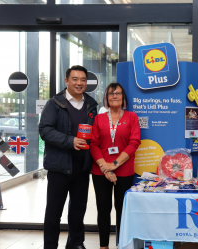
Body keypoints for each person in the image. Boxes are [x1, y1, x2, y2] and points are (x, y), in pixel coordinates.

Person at [39, 65, 98, 249]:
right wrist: (70, 141)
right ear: (66, 81)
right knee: (53, 212)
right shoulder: (55, 103)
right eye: (75, 79)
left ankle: (76, 244)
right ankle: (50, 246)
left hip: (82, 167)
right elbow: (45, 130)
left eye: (82, 80)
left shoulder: (91, 105)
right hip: (59, 167)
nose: (79, 83)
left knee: (78, 211)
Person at [90, 83, 141, 249]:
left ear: (123, 97)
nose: (114, 96)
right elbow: (93, 144)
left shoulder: (132, 117)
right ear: (106, 98)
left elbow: (134, 143)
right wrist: (105, 167)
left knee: (122, 209)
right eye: (111, 93)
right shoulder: (99, 119)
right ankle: (103, 246)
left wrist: (115, 164)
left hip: (124, 171)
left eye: (118, 93)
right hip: (100, 170)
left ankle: (121, 244)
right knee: (103, 209)